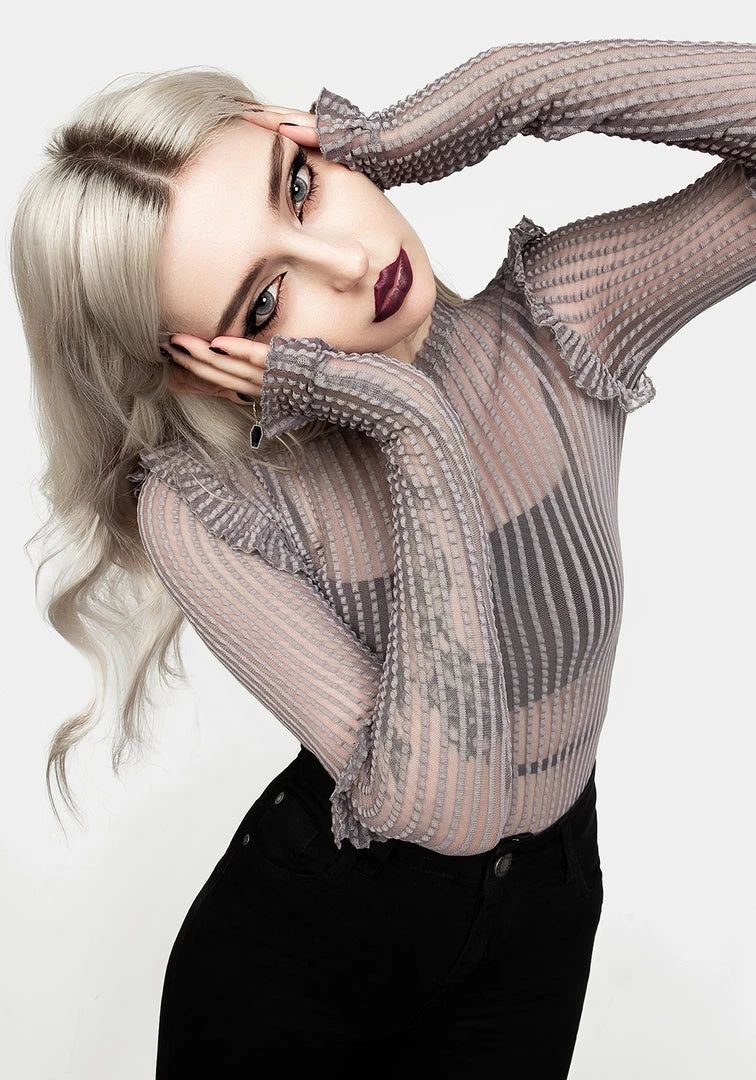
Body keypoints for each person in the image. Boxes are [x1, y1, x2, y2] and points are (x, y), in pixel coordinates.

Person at [11, 38, 755, 1077]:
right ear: (204, 371)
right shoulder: (212, 509)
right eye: (265, 303)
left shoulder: (561, 326)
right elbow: (446, 813)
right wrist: (413, 426)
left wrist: (505, 92)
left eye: (301, 187)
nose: (352, 264)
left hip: (542, 926)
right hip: (305, 966)